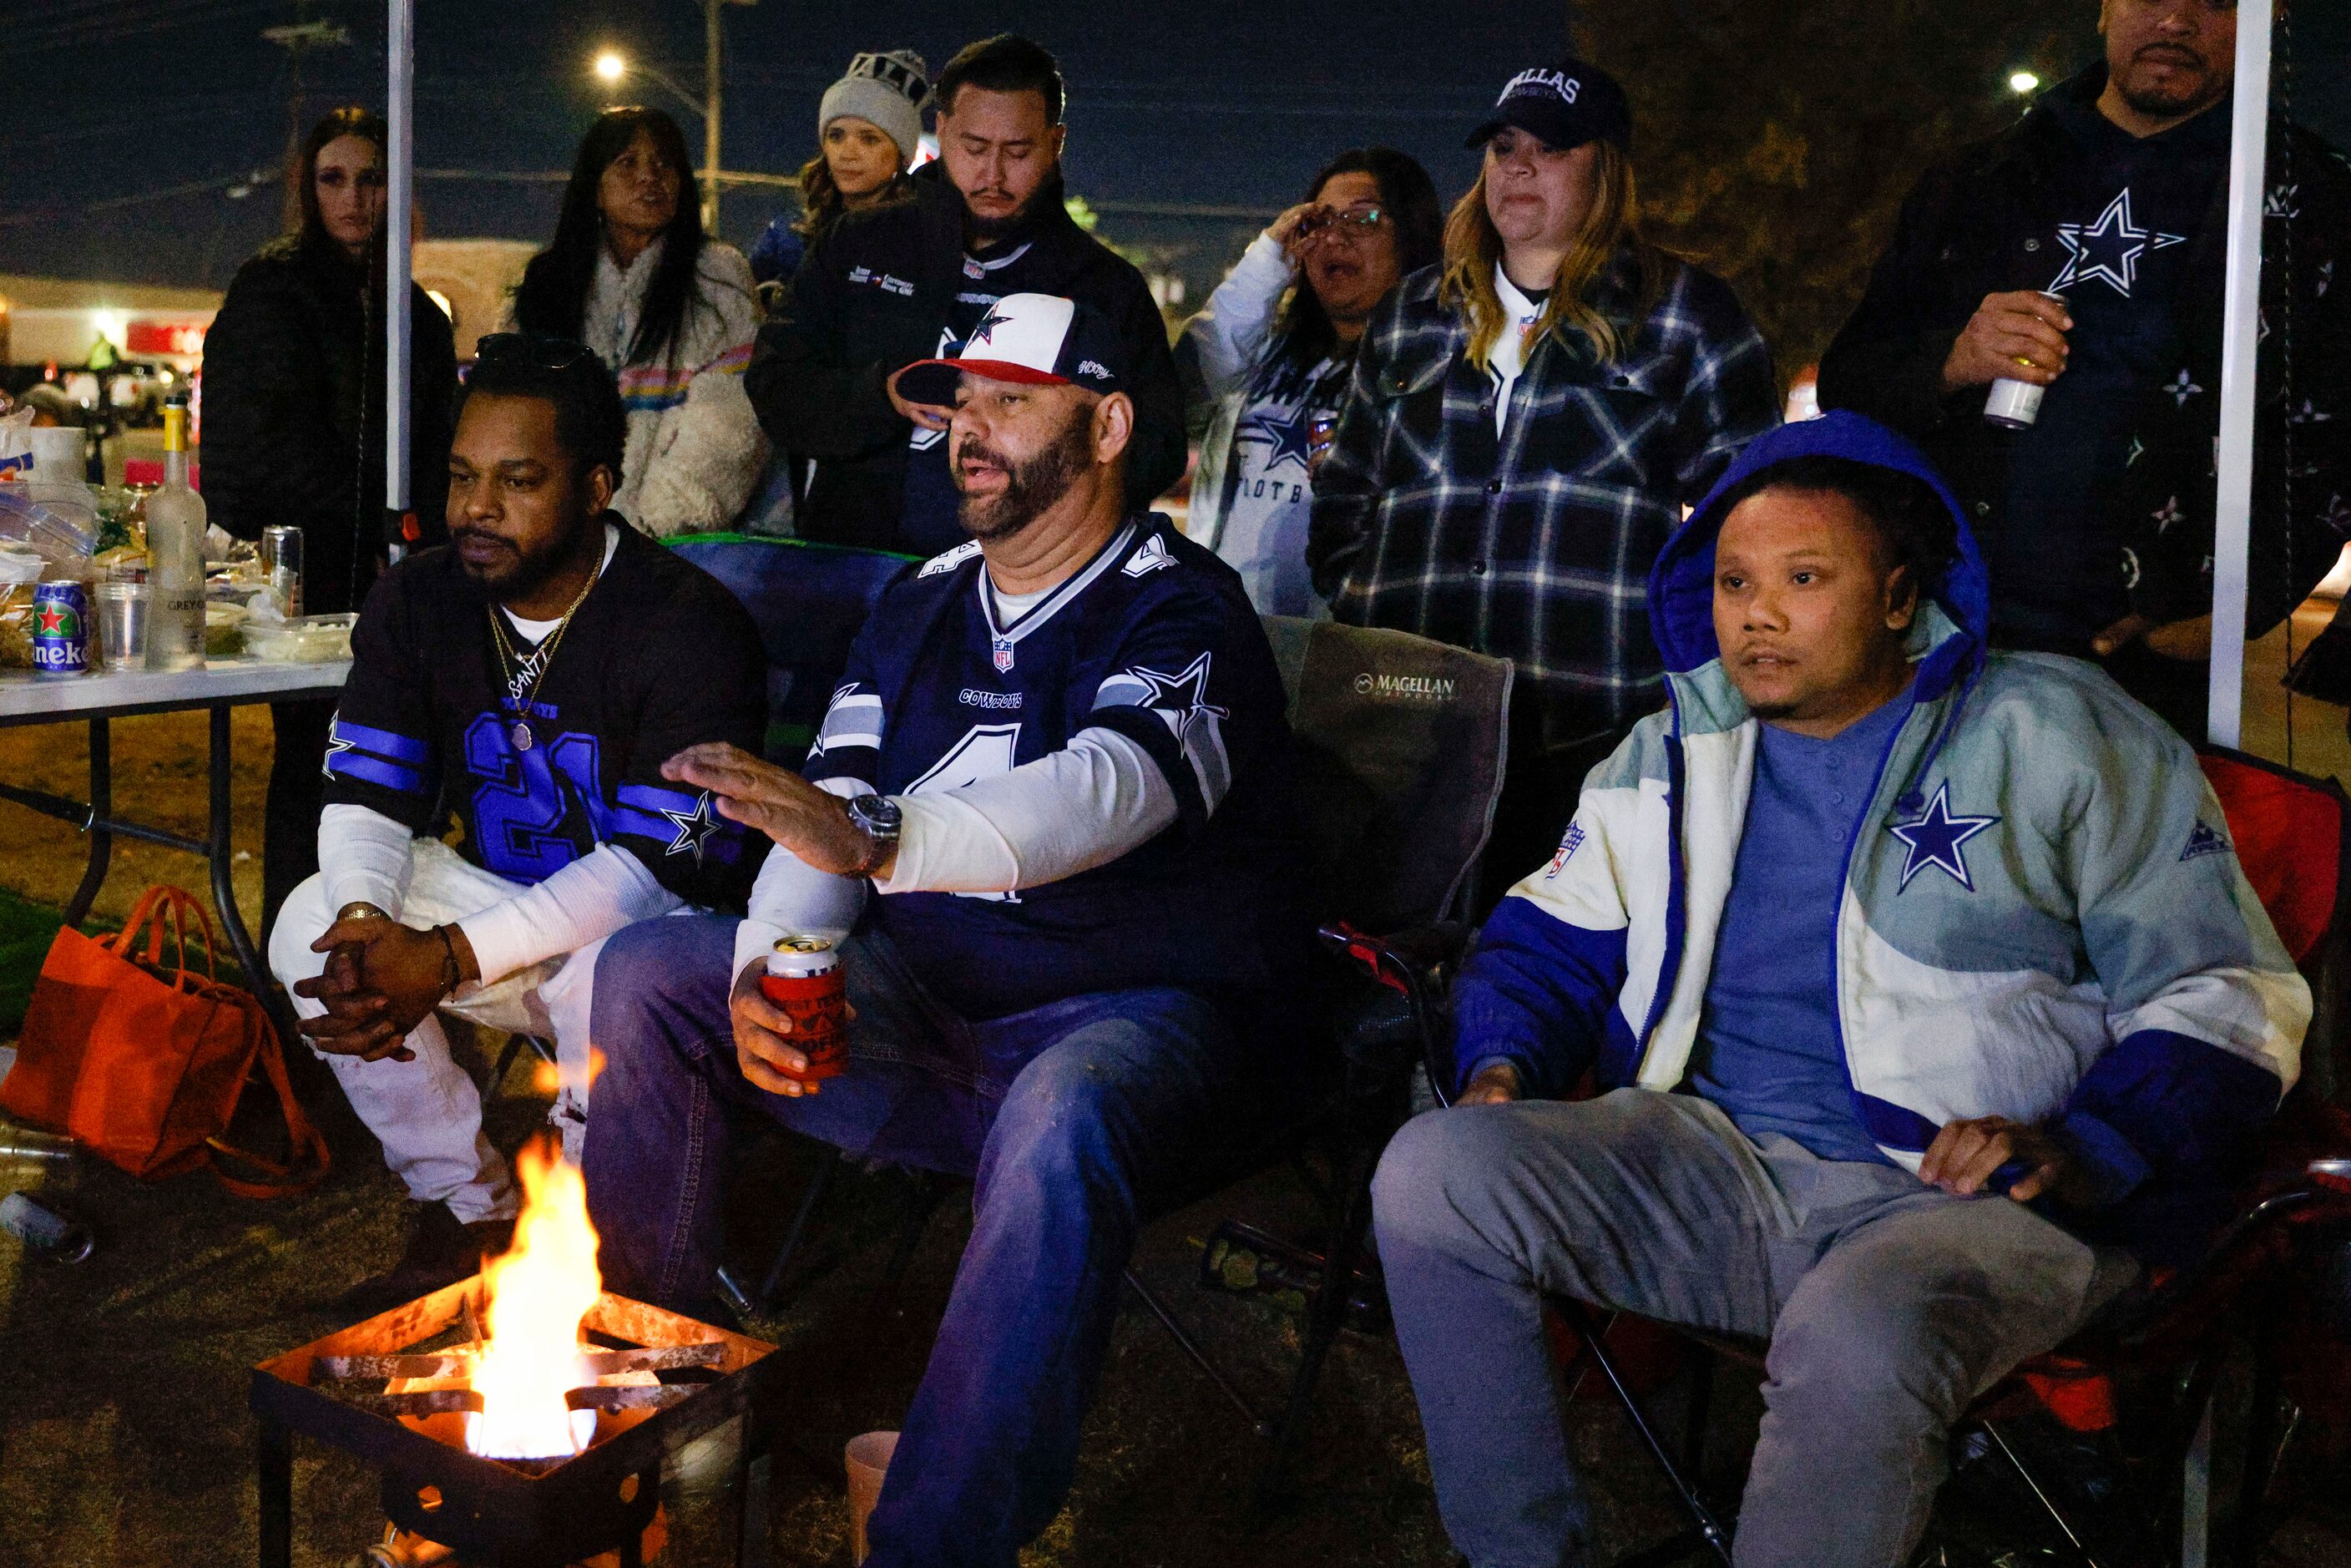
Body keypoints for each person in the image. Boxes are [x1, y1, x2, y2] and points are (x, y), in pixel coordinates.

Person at [1370, 411, 2308, 1568]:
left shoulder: (2056, 727)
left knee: (1862, 1330)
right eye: (1733, 581)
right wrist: (1502, 1065)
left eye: (1804, 577)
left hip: (1981, 1203)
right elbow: (1544, 940)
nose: (1756, 614)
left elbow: (2225, 988)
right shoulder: (1669, 752)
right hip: (1715, 1164)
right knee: (1433, 1172)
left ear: (1903, 594)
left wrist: (2089, 1141)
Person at [585, 293, 1309, 1567]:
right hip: (934, 1016)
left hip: (1140, 1029)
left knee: (1064, 1100)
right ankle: (644, 1408)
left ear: (1109, 425)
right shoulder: (921, 599)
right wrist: (773, 972)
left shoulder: (1184, 603)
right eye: (961, 398)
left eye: (1011, 400)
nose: (969, 429)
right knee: (653, 970)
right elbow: (834, 818)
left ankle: (934, 1543)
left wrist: (883, 847)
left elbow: (1108, 786)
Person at [268, 336, 768, 1311]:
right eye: (461, 477)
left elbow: (654, 870)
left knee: (614, 977)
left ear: (594, 488)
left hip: (648, 944)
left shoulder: (686, 623)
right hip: (498, 917)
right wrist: (371, 927)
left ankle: (580, 1244)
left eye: (517, 480)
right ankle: (470, 1212)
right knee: (308, 927)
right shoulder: (421, 596)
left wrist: (447, 956)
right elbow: (368, 794)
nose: (476, 509)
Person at [1308, 58, 1779, 903]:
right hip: (1405, 740)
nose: (1516, 167)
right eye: (1501, 147)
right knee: (1383, 981)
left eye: (1548, 149)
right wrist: (1361, 598)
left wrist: (1664, 666)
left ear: (1606, 171)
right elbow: (1342, 499)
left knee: (1556, 984)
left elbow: (1750, 527)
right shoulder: (1410, 317)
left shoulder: (1685, 316)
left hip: (1587, 740)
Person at [1818, 0, 2351, 738]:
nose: (2176, 21)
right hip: (1937, 637)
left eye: (2217, 2)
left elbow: (2335, 439)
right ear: (2105, 8)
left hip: (2142, 675)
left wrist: (2242, 603)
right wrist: (1951, 360)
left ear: (2267, 18)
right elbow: (1851, 382)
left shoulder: (2316, 208)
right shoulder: (1980, 179)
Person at [747, 33, 1185, 555]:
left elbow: (1156, 448)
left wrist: (1038, 452)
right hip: (855, 571)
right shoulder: (859, 244)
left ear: (1056, 141)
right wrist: (879, 396)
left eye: (1018, 152)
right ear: (943, 129)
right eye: (974, 148)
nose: (993, 175)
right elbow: (774, 382)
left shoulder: (1104, 286)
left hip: (1021, 592)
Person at [199, 106, 459, 942]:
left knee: (404, 772)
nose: (355, 198)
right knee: (316, 768)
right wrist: (354, 522)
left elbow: (438, 444)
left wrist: (418, 538)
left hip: (405, 577)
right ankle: (292, 961)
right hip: (308, 584)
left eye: (372, 178)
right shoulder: (271, 292)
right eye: (334, 179)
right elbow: (248, 451)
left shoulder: (417, 312)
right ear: (307, 191)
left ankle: (388, 944)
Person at [1178, 146, 1442, 615]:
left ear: (1411, 238)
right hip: (1228, 633)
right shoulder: (1266, 350)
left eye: (1364, 219)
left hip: (1351, 646)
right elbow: (1189, 378)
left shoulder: (1438, 368)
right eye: (1321, 221)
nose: (1336, 237)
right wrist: (1267, 261)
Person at [511, 107, 766, 539]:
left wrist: (639, 533)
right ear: (594, 186)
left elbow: (728, 428)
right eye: (628, 163)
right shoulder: (547, 285)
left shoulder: (718, 280)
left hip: (673, 549)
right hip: (554, 542)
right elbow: (518, 423)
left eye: (665, 163)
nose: (650, 177)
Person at [748, 48, 932, 313]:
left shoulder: (923, 244)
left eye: (869, 139)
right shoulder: (785, 240)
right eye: (836, 136)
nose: (848, 152)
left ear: (901, 155)